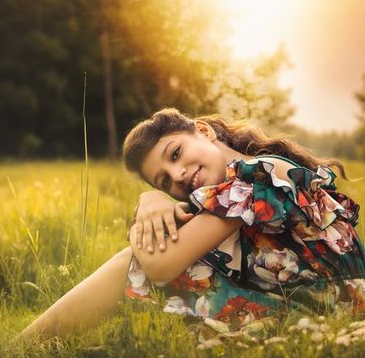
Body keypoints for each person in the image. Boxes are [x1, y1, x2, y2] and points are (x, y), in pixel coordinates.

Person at [19, 108, 365, 339]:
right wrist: (151, 201)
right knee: (160, 266)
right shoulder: (232, 196)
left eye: (175, 154)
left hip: (335, 315)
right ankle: (31, 350)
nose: (179, 175)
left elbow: (158, 266)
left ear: (203, 131)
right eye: (164, 182)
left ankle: (21, 350)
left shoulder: (258, 176)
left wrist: (148, 206)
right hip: (317, 311)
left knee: (131, 264)